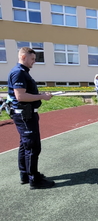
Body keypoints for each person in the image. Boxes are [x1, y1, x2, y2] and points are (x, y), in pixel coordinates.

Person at [7, 47, 55, 189]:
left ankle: (26, 175)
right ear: (23, 57)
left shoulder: (22, 72)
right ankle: (34, 180)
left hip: (26, 114)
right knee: (32, 147)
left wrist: (40, 95)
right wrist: (42, 97)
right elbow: (20, 96)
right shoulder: (18, 73)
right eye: (32, 59)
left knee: (25, 145)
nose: (34, 62)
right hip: (25, 115)